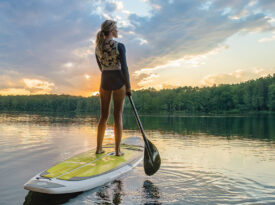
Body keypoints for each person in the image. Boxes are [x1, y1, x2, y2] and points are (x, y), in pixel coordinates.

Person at [95, 19, 131, 156]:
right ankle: (117, 151)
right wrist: (128, 87)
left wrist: (107, 74)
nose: (117, 30)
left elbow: (101, 68)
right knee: (118, 116)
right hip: (118, 82)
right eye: (116, 28)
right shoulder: (119, 46)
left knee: (103, 116)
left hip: (104, 81)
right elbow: (125, 68)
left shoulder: (98, 47)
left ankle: (98, 149)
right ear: (111, 31)